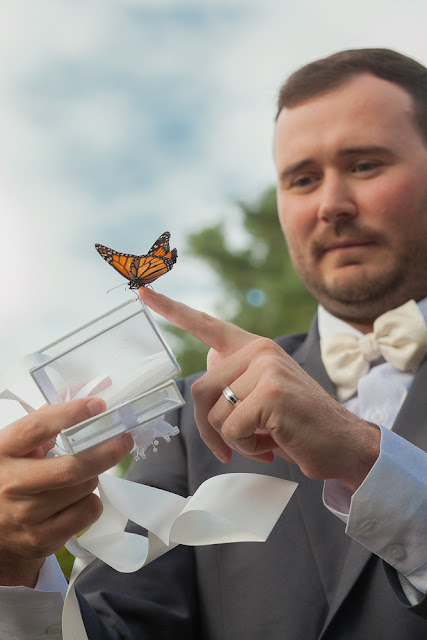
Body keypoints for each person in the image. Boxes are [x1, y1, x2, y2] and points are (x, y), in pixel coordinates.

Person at [1, 46, 427, 639]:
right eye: (302, 179)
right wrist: (16, 569)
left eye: (365, 165)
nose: (331, 204)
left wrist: (364, 458)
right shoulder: (188, 416)